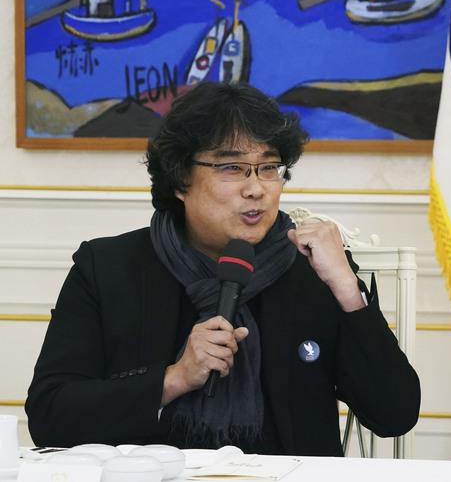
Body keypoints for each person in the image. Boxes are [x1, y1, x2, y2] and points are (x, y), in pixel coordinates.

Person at [26, 82, 420, 454]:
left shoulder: (315, 270)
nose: (256, 188)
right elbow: (50, 416)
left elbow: (395, 415)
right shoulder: (108, 268)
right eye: (232, 167)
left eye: (269, 167)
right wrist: (174, 378)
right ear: (180, 179)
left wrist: (349, 290)